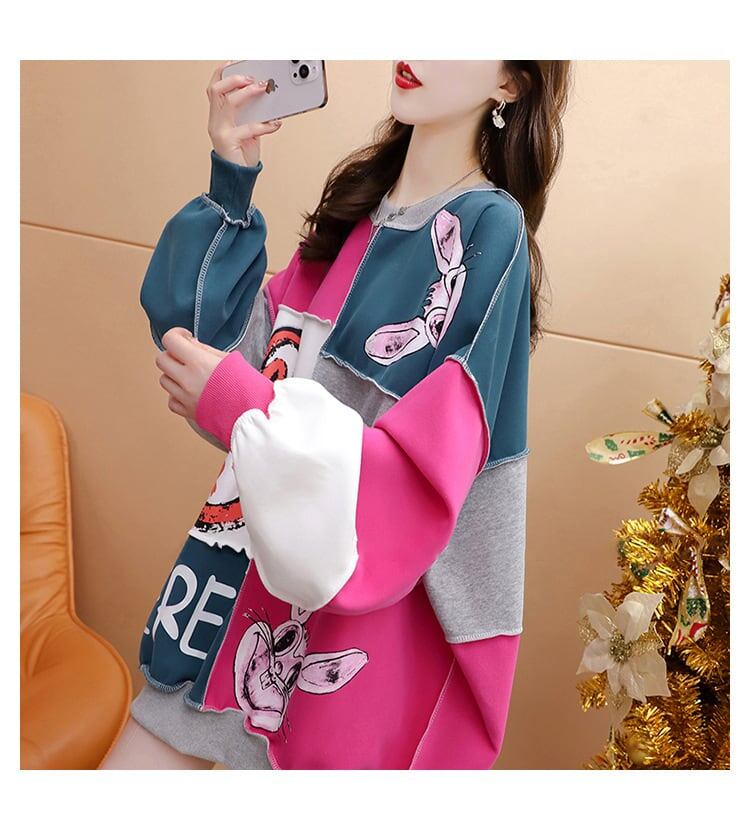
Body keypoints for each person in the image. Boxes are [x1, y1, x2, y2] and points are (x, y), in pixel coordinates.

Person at [100, 59, 572, 770]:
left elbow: (415, 473)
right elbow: (219, 357)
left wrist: (241, 403)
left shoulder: (487, 230)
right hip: (236, 588)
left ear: (512, 83)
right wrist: (233, 173)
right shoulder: (358, 211)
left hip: (349, 635)